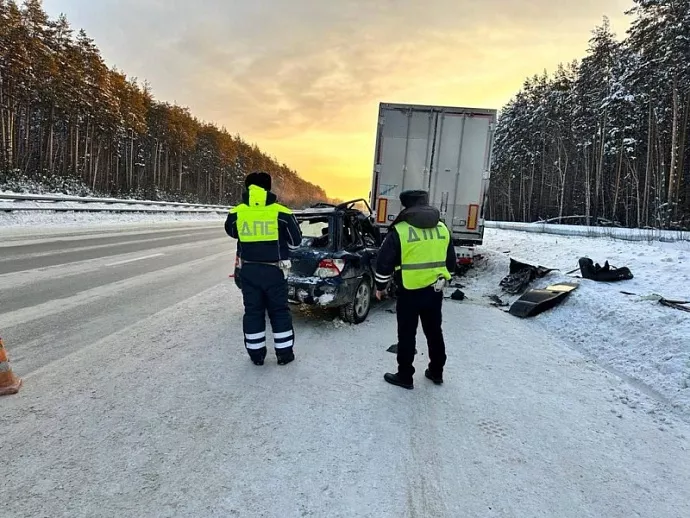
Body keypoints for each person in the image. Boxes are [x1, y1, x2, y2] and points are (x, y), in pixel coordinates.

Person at [374, 190, 456, 389]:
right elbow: (451, 263)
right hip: (435, 291)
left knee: (407, 334)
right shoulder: (442, 229)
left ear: (406, 207)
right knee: (434, 332)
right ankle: (436, 372)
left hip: (409, 291)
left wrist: (380, 287)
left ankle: (405, 376)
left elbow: (384, 263)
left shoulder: (400, 230)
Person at [225, 171, 302, 366]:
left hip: (248, 271)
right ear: (268, 188)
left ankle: (256, 355)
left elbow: (232, 232)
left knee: (253, 312)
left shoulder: (236, 213)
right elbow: (296, 242)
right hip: (275, 271)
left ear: (247, 188)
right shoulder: (282, 213)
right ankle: (284, 355)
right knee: (279, 312)